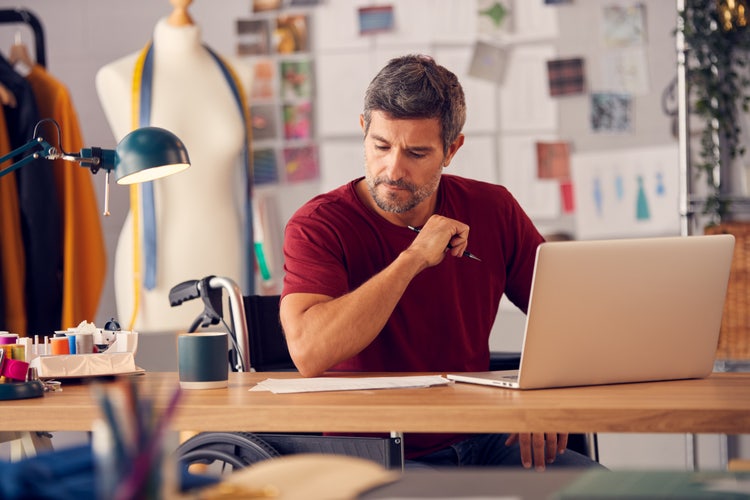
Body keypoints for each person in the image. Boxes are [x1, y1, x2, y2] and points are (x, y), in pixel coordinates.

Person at [279, 54, 601, 471]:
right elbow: (309, 351)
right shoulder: (317, 225)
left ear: (452, 149)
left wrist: (546, 396)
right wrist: (413, 258)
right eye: (380, 146)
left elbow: (568, 315)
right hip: (374, 453)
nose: (392, 169)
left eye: (416, 153)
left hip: (485, 437)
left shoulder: (494, 208)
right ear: (364, 130)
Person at [96, 0, 252, 332]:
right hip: (157, 261)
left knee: (230, 371)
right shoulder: (117, 77)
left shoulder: (241, 73)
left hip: (224, 247)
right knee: (156, 377)